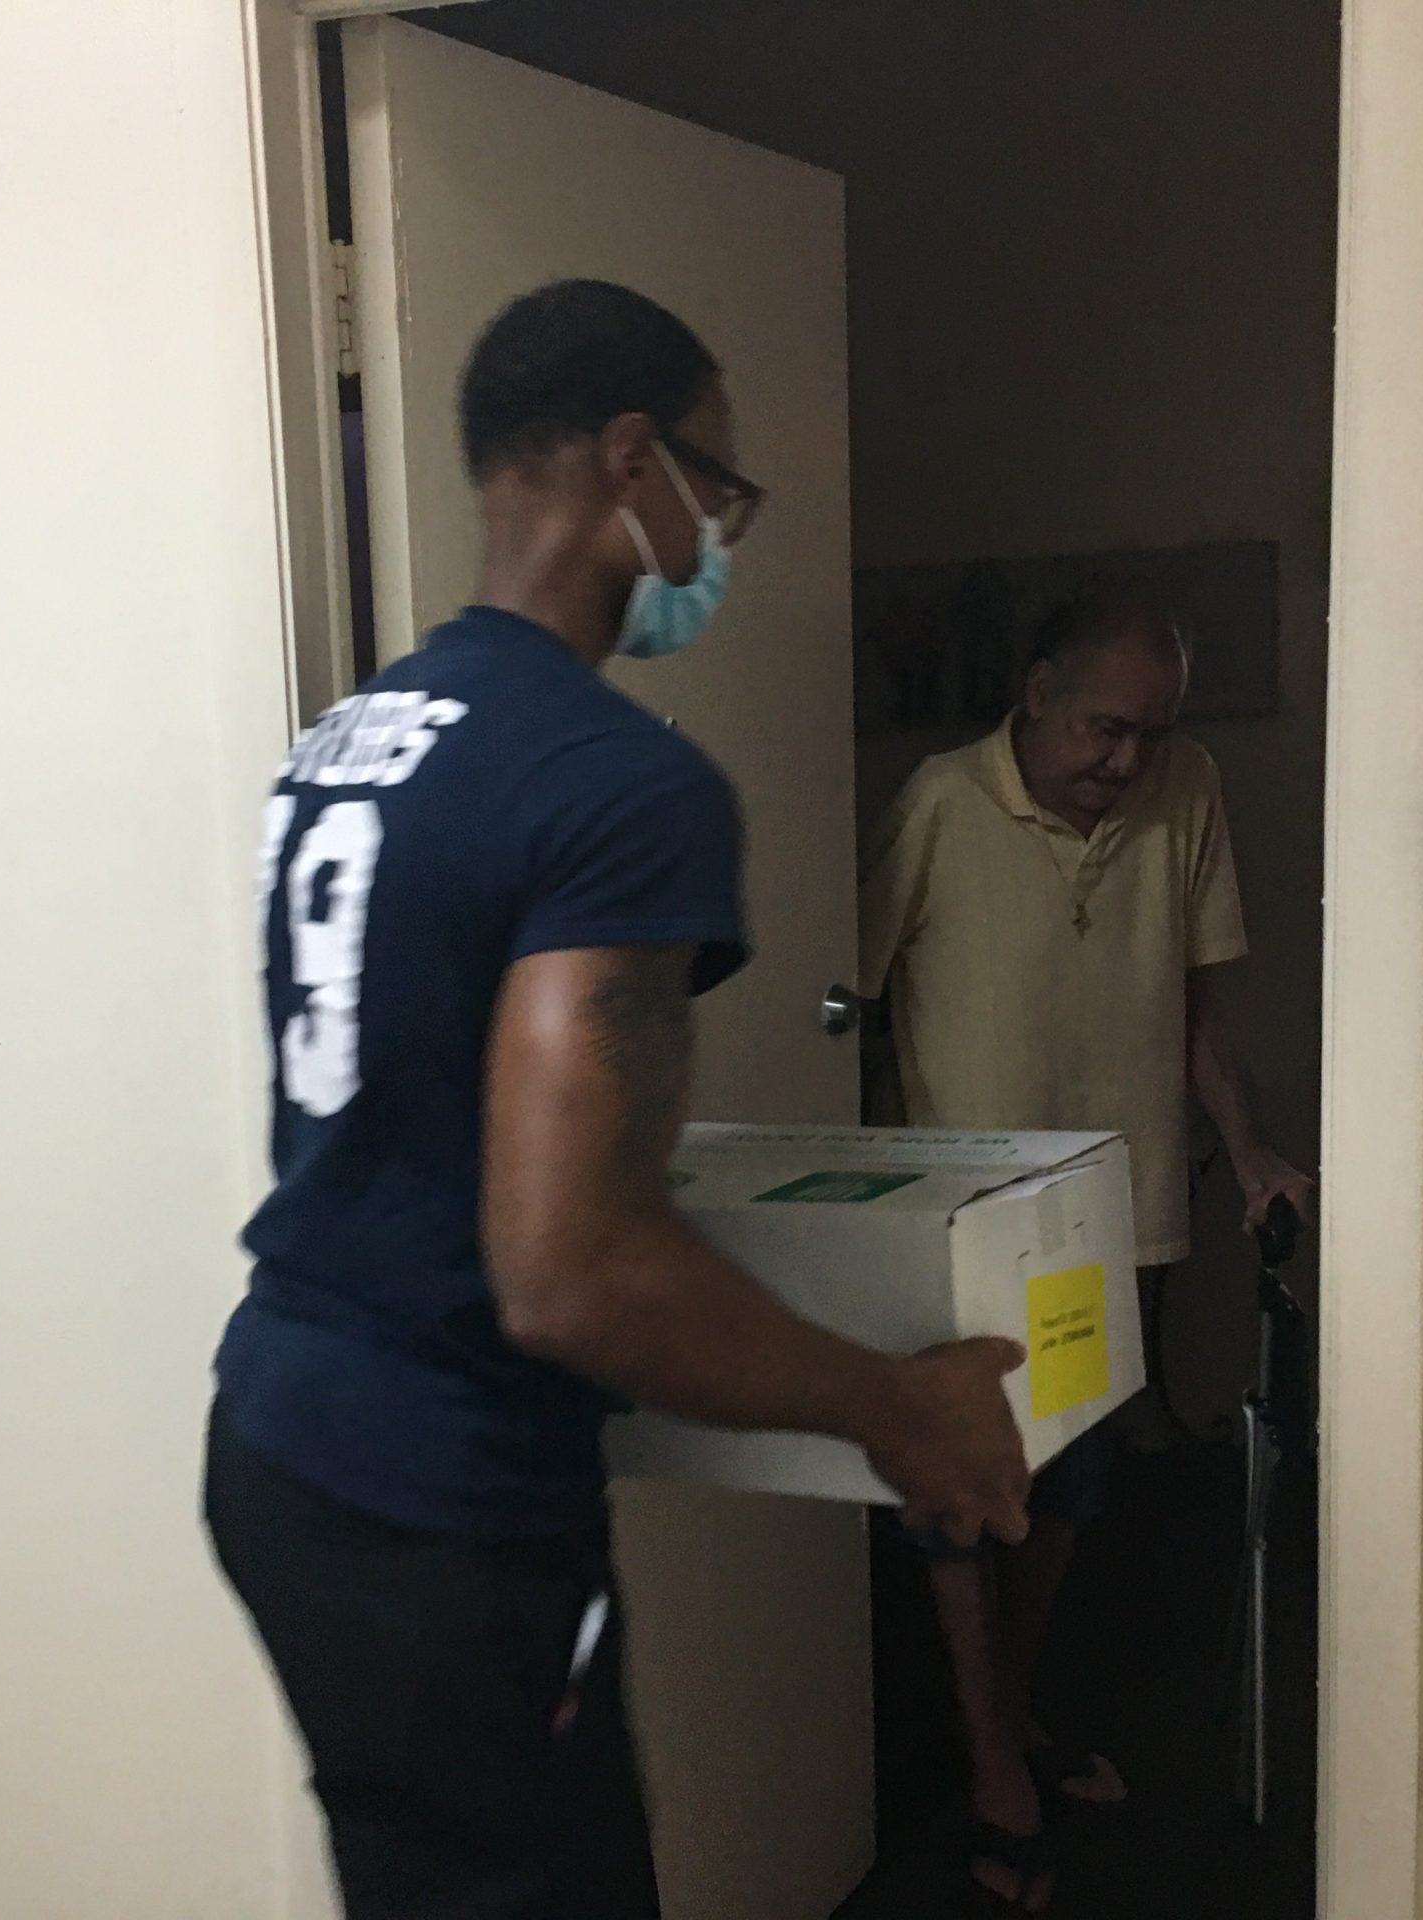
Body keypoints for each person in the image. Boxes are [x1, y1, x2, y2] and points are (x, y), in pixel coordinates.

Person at [205, 279, 1036, 1920]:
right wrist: (900, 1407)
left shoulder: (349, 739)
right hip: (443, 1505)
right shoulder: (616, 784)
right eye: (722, 491)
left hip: (283, 1442)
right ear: (634, 461)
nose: (723, 537)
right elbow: (571, 1269)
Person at [859, 587, 1315, 1910]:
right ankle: (994, 1755)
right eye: (1106, 729)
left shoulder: (1188, 790)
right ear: (1038, 692)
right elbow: (856, 998)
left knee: (1071, 1477)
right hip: (959, 1218)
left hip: (1107, 1208)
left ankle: (1002, 1713)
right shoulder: (942, 802)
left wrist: (1253, 1152)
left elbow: (1193, 1006)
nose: (1128, 759)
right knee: (959, 1480)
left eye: (1151, 733)